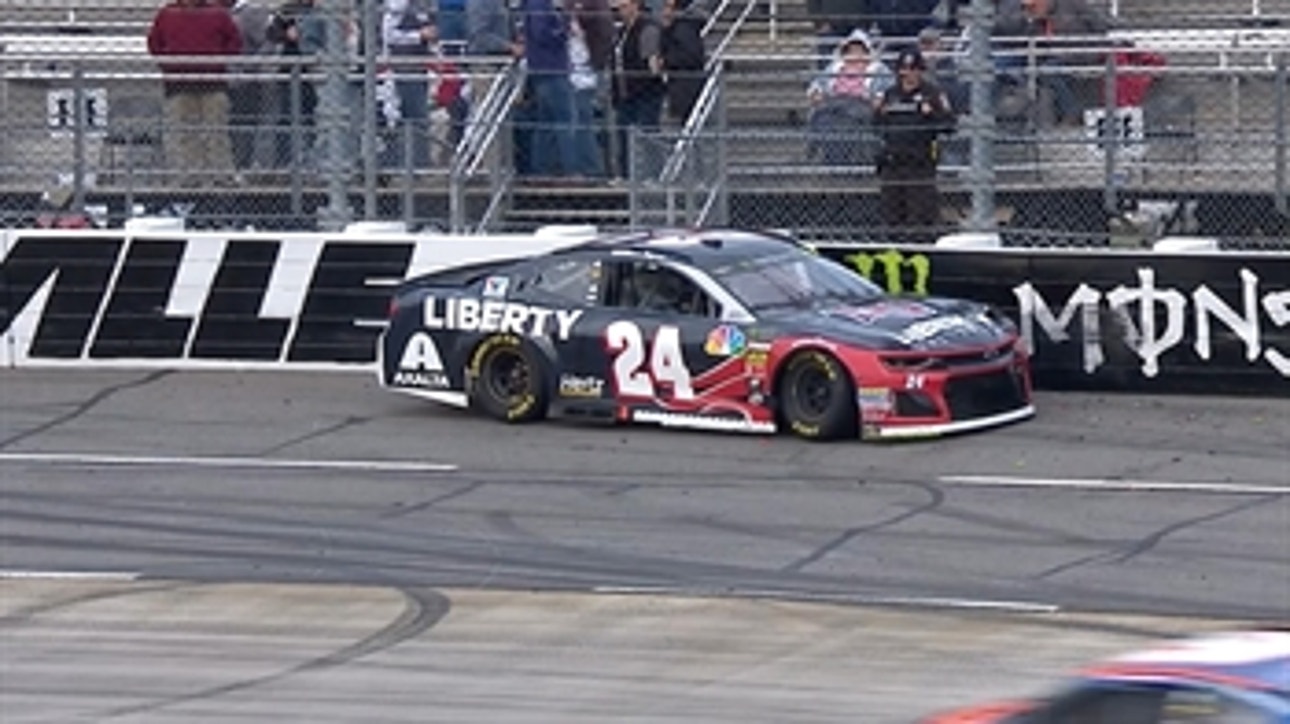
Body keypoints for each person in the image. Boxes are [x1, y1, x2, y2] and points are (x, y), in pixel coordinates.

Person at [147, 0, 243, 187]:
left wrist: (218, 62)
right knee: (185, 132)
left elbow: (234, 41)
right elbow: (154, 43)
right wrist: (169, 65)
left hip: (212, 83)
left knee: (216, 130)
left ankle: (220, 175)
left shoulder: (217, 13)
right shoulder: (167, 14)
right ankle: (190, 176)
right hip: (179, 83)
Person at [873, 48, 955, 243]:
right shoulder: (890, 94)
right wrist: (878, 113)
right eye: (904, 69)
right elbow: (876, 126)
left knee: (920, 213)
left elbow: (949, 125)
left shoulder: (932, 93)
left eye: (913, 69)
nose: (908, 73)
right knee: (891, 211)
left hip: (920, 162)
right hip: (893, 161)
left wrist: (931, 114)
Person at [805, 28, 891, 165]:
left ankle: (853, 161)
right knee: (824, 118)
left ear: (867, 52)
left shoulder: (878, 69)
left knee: (851, 120)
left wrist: (879, 99)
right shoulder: (835, 67)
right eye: (851, 51)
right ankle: (831, 159)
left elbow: (887, 90)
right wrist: (816, 93)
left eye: (859, 51)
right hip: (834, 103)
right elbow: (817, 85)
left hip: (862, 105)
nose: (855, 55)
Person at [522, 0, 577, 177]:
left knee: (545, 124)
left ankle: (542, 170)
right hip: (551, 68)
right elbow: (542, 34)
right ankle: (569, 169)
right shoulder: (540, 4)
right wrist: (564, 29)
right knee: (564, 120)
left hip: (542, 68)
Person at [611, 0, 664, 180]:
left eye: (623, 6)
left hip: (645, 92)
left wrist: (651, 75)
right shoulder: (621, 32)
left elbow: (651, 62)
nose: (620, 11)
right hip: (625, 93)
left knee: (648, 133)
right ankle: (625, 175)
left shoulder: (647, 28)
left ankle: (654, 175)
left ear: (635, 5)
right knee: (623, 135)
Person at [382, 0, 438, 171]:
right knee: (410, 117)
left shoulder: (425, 5)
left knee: (420, 118)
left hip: (421, 68)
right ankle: (405, 166)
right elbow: (388, 35)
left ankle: (419, 165)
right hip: (403, 69)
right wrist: (419, 35)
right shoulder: (397, 4)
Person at [222, 0, 273, 178]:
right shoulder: (219, 10)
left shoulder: (252, 11)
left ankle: (244, 167)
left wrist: (247, 66)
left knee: (244, 125)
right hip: (224, 80)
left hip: (246, 82)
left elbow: (268, 43)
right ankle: (231, 168)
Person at [660, 0, 706, 125]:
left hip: (686, 86)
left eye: (668, 7)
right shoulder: (677, 28)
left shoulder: (683, 29)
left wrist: (666, 61)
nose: (664, 11)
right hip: (681, 84)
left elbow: (691, 56)